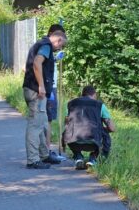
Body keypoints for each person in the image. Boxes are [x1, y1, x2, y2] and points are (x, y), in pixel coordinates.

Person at [23, 28, 67, 169]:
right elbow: (37, 63)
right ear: (58, 40)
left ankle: (44, 155)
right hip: (36, 91)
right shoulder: (46, 46)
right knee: (35, 126)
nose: (60, 48)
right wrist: (41, 86)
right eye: (61, 45)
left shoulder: (41, 44)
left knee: (41, 125)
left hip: (32, 89)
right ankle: (33, 160)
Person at [63, 85, 116, 169]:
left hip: (74, 141)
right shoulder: (100, 105)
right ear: (94, 94)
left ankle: (78, 157)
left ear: (82, 94)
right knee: (105, 133)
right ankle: (94, 159)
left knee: (68, 129)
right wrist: (102, 129)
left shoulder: (71, 103)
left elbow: (66, 122)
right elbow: (112, 128)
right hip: (93, 141)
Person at [44, 24, 66, 160]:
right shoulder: (45, 47)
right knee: (48, 119)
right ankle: (46, 150)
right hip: (49, 87)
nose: (60, 45)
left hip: (50, 86)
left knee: (48, 119)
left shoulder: (48, 49)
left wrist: (56, 59)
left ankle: (45, 150)